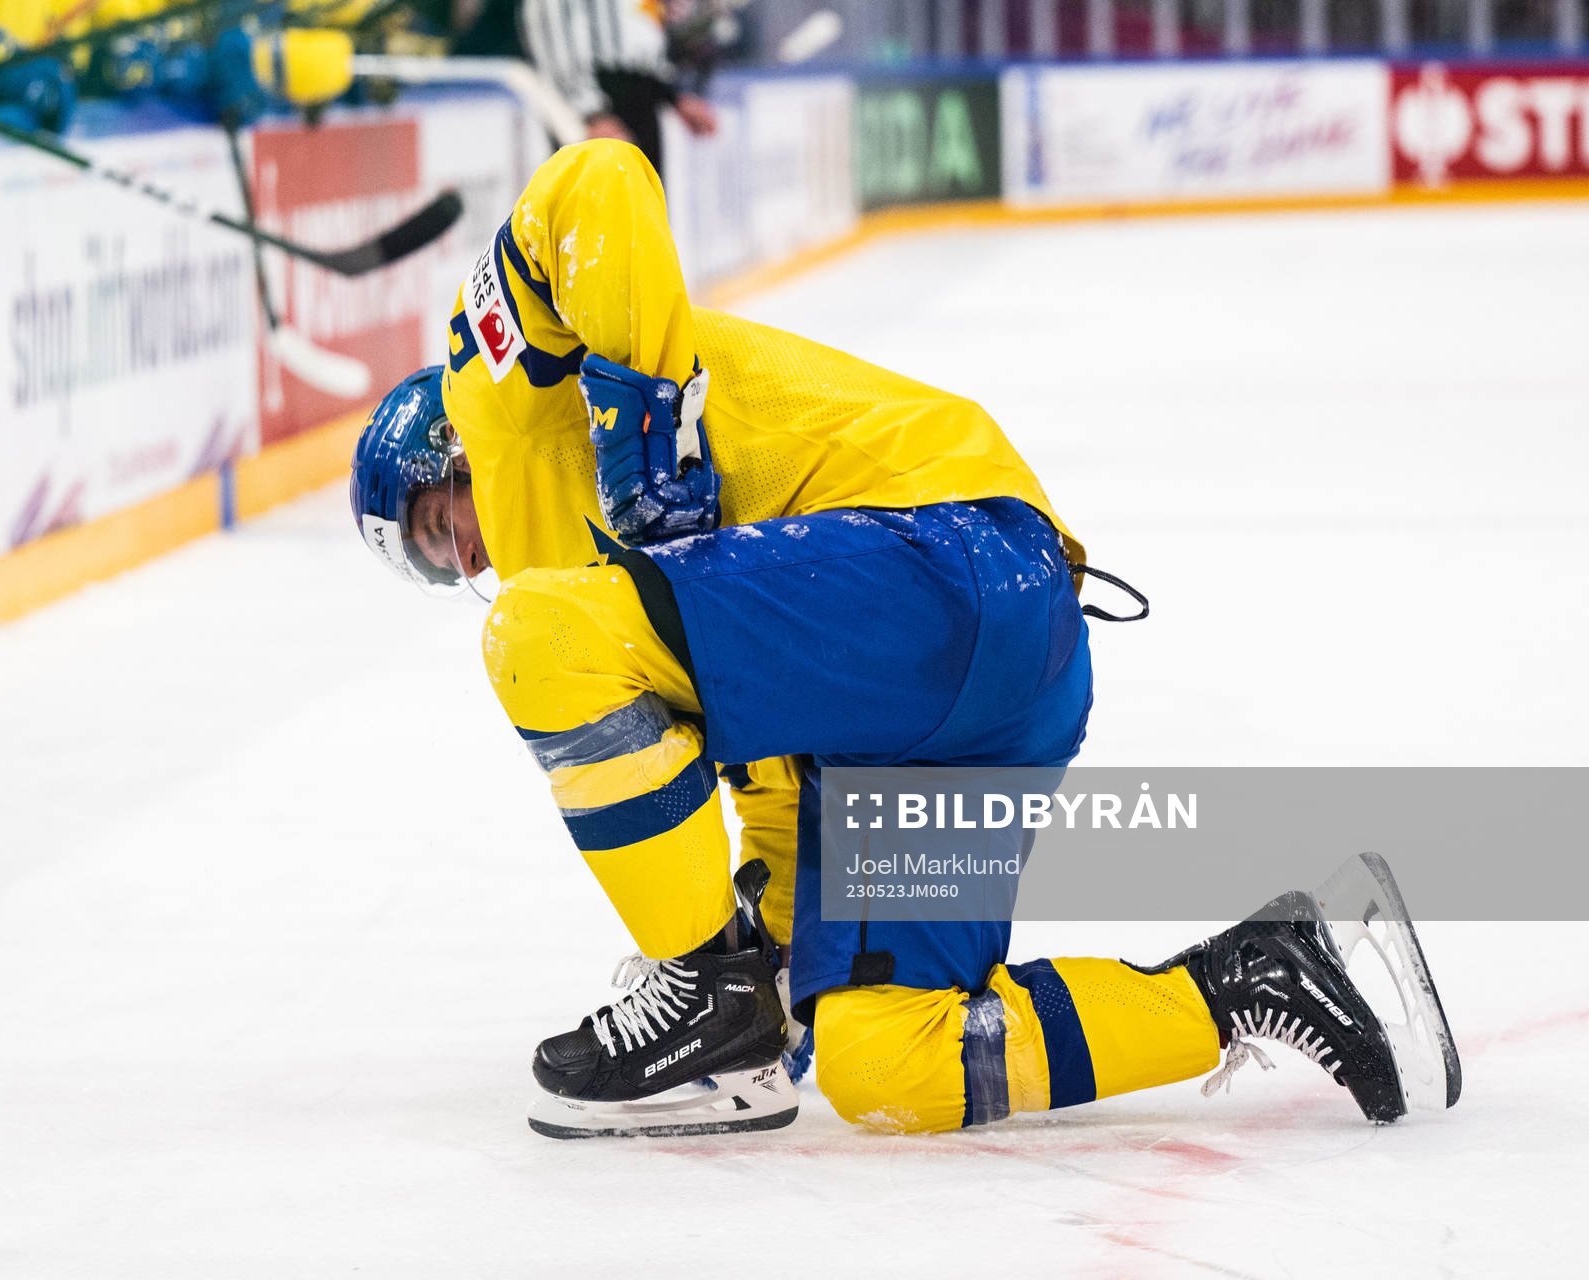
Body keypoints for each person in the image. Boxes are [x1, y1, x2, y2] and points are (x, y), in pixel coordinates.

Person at [348, 140, 1461, 1138]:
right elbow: (778, 792)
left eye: (442, 524)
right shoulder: (646, 607)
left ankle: (700, 984)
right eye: (441, 560)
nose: (470, 560)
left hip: (952, 559)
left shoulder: (499, 402)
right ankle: (1256, 975)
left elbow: (598, 182)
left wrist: (644, 427)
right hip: (985, 679)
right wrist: (772, 978)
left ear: (447, 449)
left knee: (535, 637)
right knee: (891, 1062)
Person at [517, 0, 717, 180]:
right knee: (596, 211)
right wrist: (591, 113)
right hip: (599, 101)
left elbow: (641, 29)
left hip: (640, 99)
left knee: (641, 211)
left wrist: (673, 95)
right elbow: (549, 24)